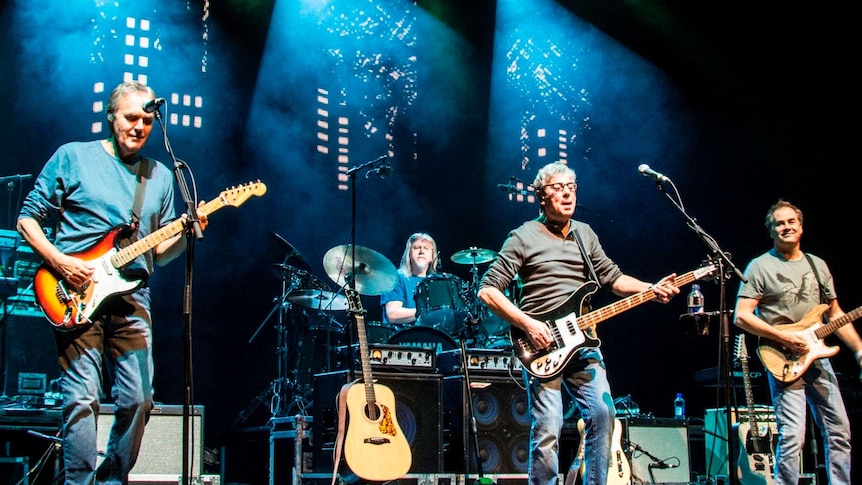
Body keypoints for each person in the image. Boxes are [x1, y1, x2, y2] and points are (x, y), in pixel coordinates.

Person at [17, 80, 208, 484]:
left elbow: (157, 254)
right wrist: (60, 261)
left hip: (133, 296)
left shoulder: (158, 175)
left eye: (148, 120)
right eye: (131, 117)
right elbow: (27, 219)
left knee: (139, 400)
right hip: (72, 292)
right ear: (111, 116)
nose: (139, 127)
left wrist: (185, 234)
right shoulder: (74, 157)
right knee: (83, 399)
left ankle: (110, 480)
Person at [477, 161, 679, 485]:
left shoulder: (585, 234)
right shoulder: (523, 236)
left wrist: (651, 289)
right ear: (541, 196)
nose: (567, 192)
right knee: (548, 427)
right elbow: (487, 291)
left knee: (604, 414)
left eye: (572, 186)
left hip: (583, 343)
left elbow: (613, 279)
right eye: (558, 188)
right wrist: (529, 325)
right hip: (542, 346)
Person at [734, 199, 862, 485]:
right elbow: (741, 317)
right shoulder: (759, 267)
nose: (786, 227)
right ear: (771, 231)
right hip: (783, 359)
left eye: (791, 221)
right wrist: (784, 336)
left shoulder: (817, 265)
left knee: (839, 431)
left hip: (818, 359)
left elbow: (836, 314)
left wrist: (858, 350)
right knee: (793, 436)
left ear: (801, 227)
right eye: (779, 223)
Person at [380, 232, 441, 327]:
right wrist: (427, 311)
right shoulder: (396, 277)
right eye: (416, 248)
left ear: (432, 257)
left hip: (430, 336)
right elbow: (393, 315)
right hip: (400, 337)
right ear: (409, 254)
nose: (421, 251)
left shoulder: (436, 282)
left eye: (426, 248)